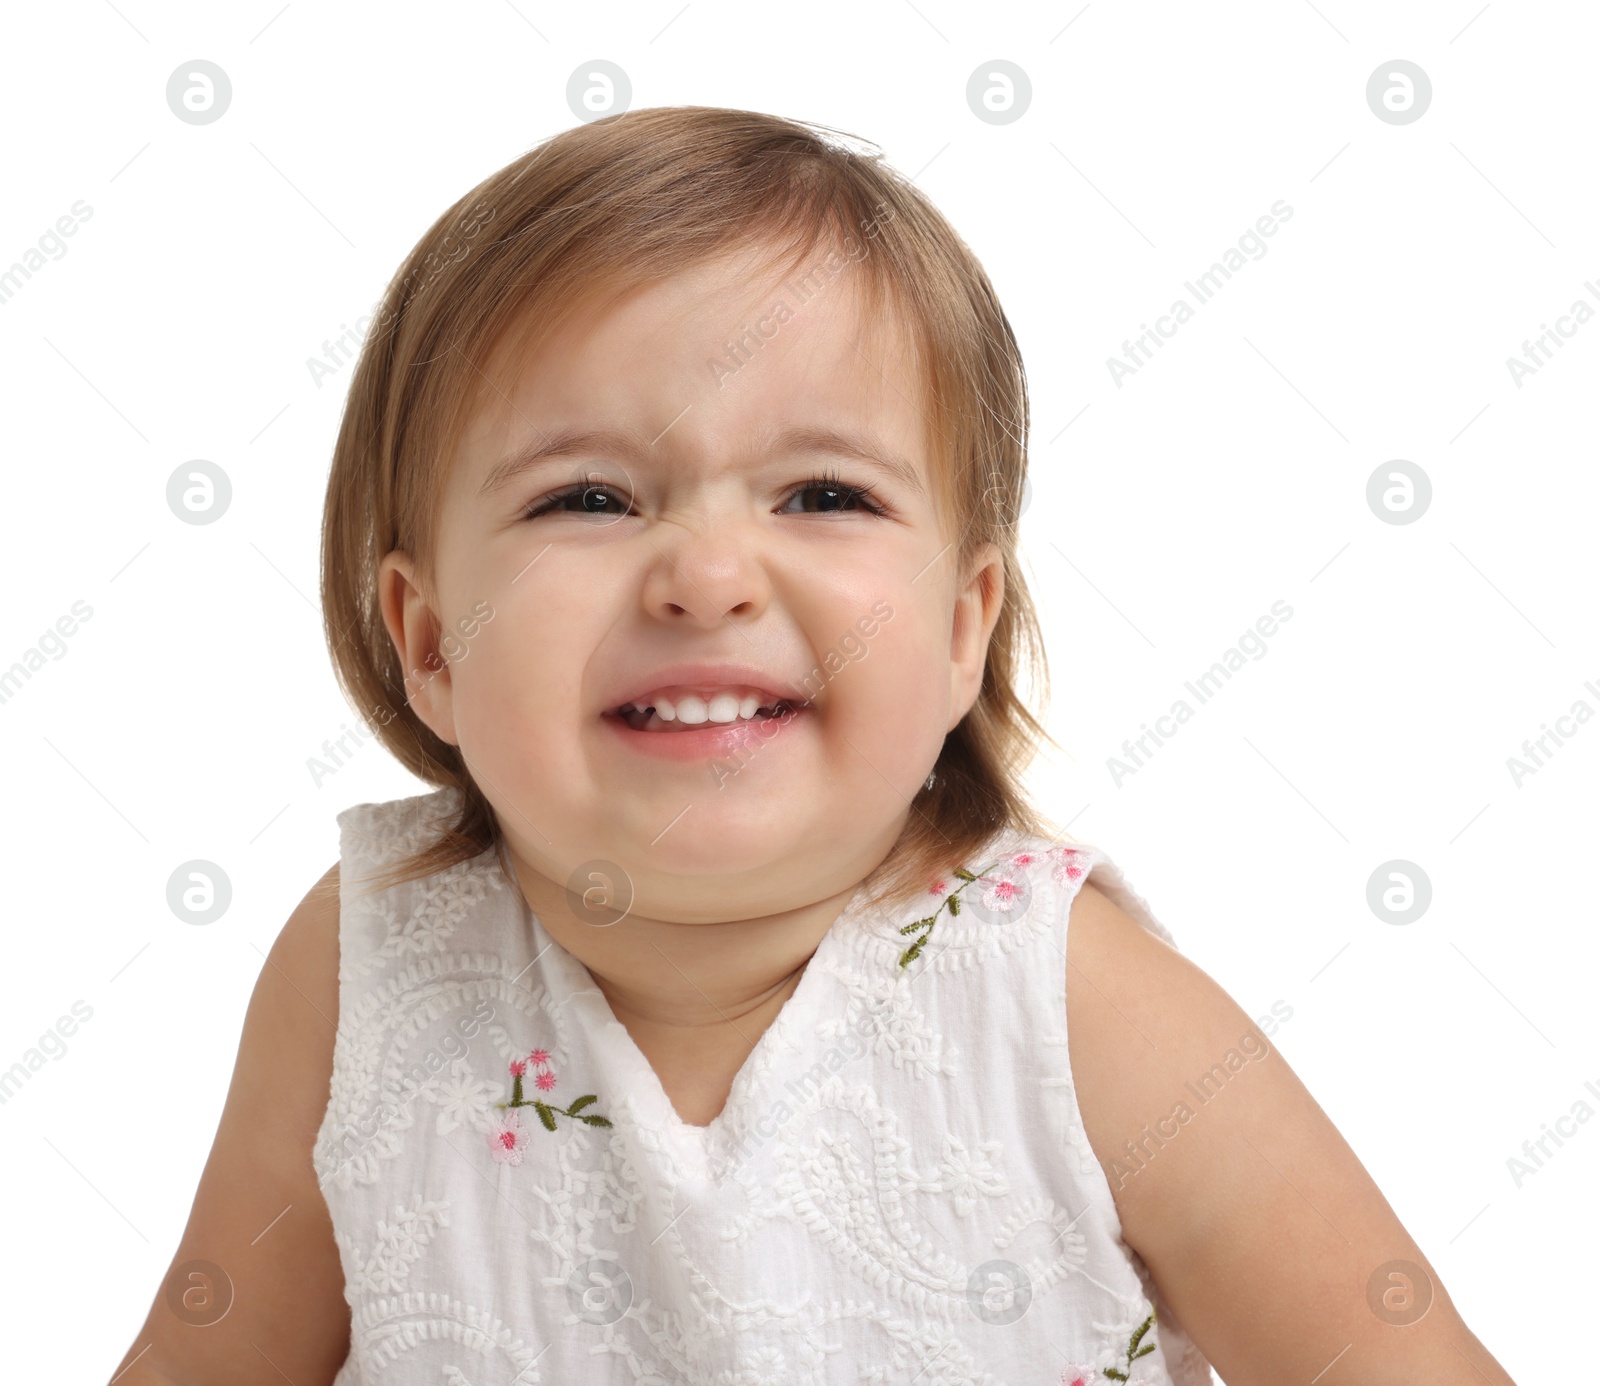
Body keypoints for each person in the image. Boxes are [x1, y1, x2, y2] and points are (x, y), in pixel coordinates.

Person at [112, 106, 1516, 1385]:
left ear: (966, 629)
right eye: (591, 496)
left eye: (824, 491)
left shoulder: (1068, 1005)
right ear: (430, 641)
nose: (707, 575)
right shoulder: (375, 963)